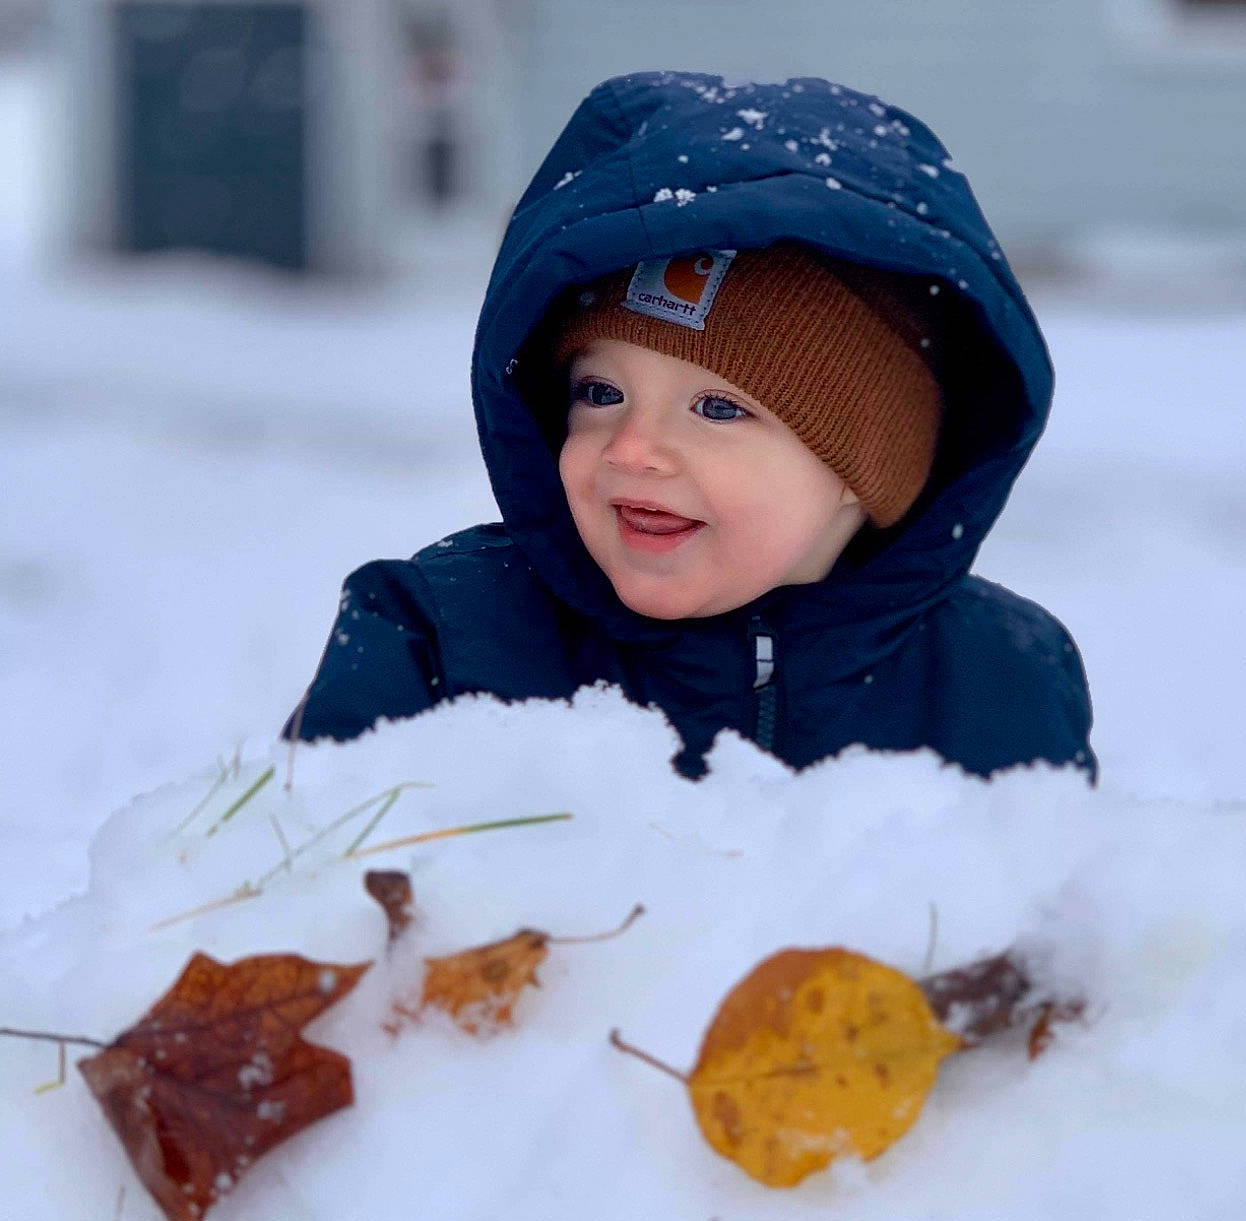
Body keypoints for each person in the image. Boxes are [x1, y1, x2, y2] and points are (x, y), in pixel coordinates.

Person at [288, 72, 1095, 780]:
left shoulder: (1001, 685)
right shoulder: (443, 639)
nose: (633, 450)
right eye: (601, 393)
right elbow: (300, 892)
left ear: (867, 464)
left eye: (717, 409)